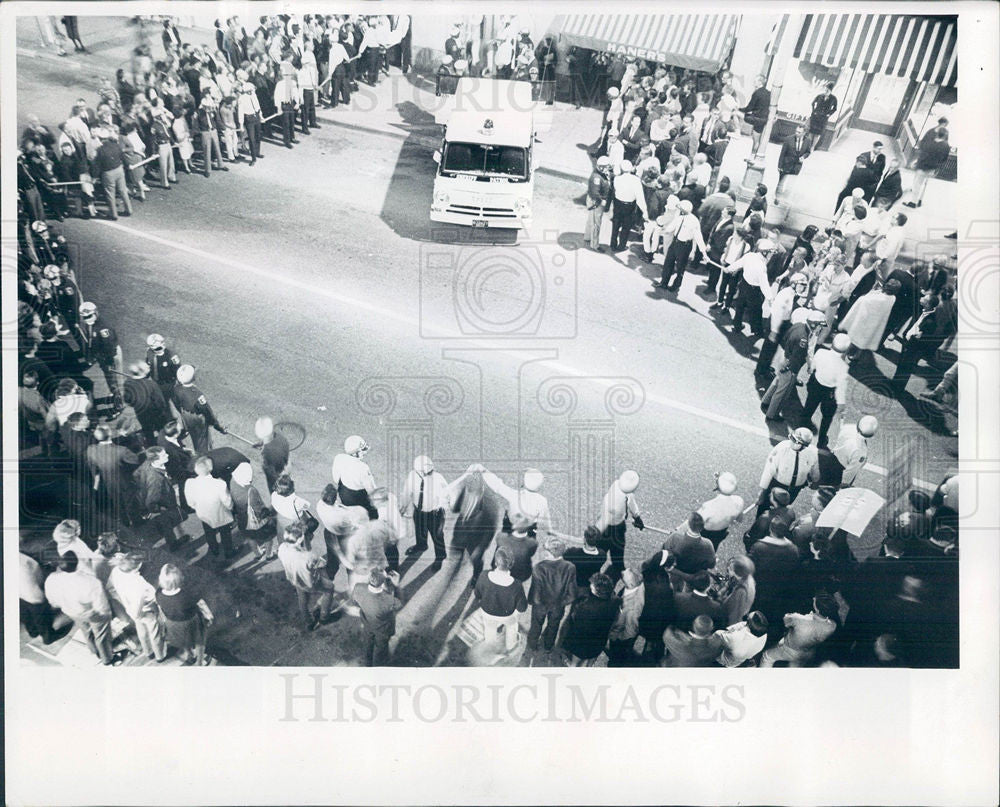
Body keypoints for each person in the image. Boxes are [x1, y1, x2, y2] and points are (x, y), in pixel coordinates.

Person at [44, 551, 117, 665]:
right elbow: (101, 606)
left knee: (86, 631)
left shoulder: (51, 579)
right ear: (77, 563)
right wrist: (106, 614)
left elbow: (52, 602)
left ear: (59, 565)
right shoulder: (90, 581)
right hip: (91, 612)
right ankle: (107, 659)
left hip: (71, 612)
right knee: (101, 635)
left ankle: (93, 650)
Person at [760, 309, 826, 422]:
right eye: (820, 326)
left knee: (777, 382)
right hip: (790, 365)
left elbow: (785, 337)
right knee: (783, 391)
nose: (821, 328)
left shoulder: (798, 326)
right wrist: (793, 371)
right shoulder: (803, 340)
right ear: (814, 324)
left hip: (784, 356)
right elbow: (797, 358)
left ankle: (766, 401)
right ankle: (772, 414)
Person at [891, 291, 956, 395]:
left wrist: (914, 338)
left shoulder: (931, 321)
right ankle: (894, 383)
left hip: (914, 346)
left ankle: (898, 388)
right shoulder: (924, 312)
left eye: (924, 298)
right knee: (902, 364)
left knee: (906, 367)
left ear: (927, 304)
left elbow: (923, 337)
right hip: (909, 342)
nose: (922, 298)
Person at [448, 468, 503, 587]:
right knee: (457, 553)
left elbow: (490, 530)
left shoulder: (489, 505)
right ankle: (457, 565)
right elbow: (457, 508)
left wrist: (481, 547)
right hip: (460, 533)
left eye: (471, 490)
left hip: (476, 540)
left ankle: (476, 575)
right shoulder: (467, 489)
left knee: (476, 560)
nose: (469, 492)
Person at [107, 552, 167, 662]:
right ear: (135, 569)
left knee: (142, 631)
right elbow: (138, 603)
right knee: (154, 633)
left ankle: (148, 652)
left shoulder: (116, 571)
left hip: (130, 608)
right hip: (146, 611)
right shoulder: (139, 586)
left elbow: (111, 587)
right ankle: (160, 655)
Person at [526, 538, 578, 661]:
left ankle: (532, 645)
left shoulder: (539, 567)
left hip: (540, 606)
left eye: (547, 550)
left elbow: (535, 594)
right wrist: (560, 603)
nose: (544, 552)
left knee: (536, 626)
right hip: (558, 607)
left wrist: (537, 604)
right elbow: (572, 594)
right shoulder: (570, 567)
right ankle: (548, 647)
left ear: (551, 552)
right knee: (553, 626)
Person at [278, 523, 338, 632]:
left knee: (302, 597)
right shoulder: (308, 556)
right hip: (310, 582)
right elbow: (320, 565)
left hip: (294, 579)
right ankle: (324, 617)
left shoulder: (282, 548)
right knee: (329, 589)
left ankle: (308, 621)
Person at [799, 333, 851, 447]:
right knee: (827, 417)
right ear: (846, 351)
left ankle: (800, 431)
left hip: (816, 385)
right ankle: (821, 440)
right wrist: (841, 405)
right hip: (829, 392)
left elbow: (813, 367)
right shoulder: (844, 367)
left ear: (832, 344)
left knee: (808, 409)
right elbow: (841, 388)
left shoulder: (821, 352)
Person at [760, 593, 839, 667]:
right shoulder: (832, 625)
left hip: (791, 650)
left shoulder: (799, 619)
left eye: (815, 601)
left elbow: (785, 620)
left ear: (818, 610)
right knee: (795, 665)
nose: (813, 598)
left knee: (767, 656)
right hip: (809, 653)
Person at [557, 572, 619, 667]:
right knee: (591, 658)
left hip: (582, 642)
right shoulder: (615, 601)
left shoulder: (584, 607)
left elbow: (575, 623)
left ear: (597, 592)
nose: (590, 585)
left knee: (575, 661)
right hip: (599, 640)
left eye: (592, 585)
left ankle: (571, 668)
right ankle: (588, 667)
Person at [134, 446, 190, 551]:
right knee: (168, 521)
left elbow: (136, 474)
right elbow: (151, 501)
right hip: (163, 504)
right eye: (164, 455)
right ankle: (173, 544)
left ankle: (171, 541)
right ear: (156, 460)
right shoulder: (156, 479)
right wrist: (158, 510)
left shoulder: (148, 463)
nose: (167, 455)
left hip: (160, 503)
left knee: (166, 523)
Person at [474, 546, 528, 654]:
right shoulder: (516, 584)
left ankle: (490, 648)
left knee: (489, 629)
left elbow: (477, 594)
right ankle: (510, 647)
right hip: (507, 615)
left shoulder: (484, 575)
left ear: (495, 563)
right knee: (512, 627)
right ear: (511, 564)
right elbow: (522, 607)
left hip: (487, 612)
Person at [87, 424, 141, 529]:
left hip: (108, 482)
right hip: (125, 481)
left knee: (118, 503)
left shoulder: (91, 449)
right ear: (110, 434)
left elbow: (93, 467)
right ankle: (137, 522)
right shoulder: (121, 450)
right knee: (130, 502)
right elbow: (136, 461)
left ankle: (125, 522)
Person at [156, 563, 212, 665]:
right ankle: (200, 662)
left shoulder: (158, 593)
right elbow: (201, 603)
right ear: (179, 578)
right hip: (191, 622)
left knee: (184, 641)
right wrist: (208, 615)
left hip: (172, 623)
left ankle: (190, 655)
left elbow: (160, 608)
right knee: (199, 641)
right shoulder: (186, 594)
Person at [594, 469, 644, 583]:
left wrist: (637, 516)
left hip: (611, 528)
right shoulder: (616, 502)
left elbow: (630, 500)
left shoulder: (618, 485)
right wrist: (637, 518)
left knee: (601, 557)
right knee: (614, 560)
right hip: (612, 529)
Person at [757, 427, 820, 515]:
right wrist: (763, 492)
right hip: (777, 485)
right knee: (764, 509)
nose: (792, 442)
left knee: (782, 511)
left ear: (805, 445)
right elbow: (769, 470)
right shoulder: (781, 448)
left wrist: (815, 481)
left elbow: (814, 469)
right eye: (792, 438)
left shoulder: (812, 453)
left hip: (795, 489)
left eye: (796, 441)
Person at [399, 454, 448, 566]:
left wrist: (441, 506)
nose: (430, 473)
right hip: (419, 511)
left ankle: (440, 556)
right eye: (427, 472)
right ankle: (421, 545)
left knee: (438, 536)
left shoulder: (438, 478)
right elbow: (407, 493)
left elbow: (446, 495)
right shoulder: (412, 476)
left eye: (431, 471)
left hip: (435, 513)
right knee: (420, 530)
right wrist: (403, 507)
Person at [184, 455, 237, 559]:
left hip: (204, 514)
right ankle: (229, 551)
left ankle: (214, 549)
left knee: (209, 532)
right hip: (221, 514)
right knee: (225, 533)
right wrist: (231, 508)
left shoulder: (190, 483)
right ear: (210, 468)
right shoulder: (219, 484)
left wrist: (198, 508)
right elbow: (227, 502)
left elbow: (190, 502)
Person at [353, 567, 403, 666]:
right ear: (383, 584)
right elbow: (399, 603)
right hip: (383, 629)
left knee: (368, 642)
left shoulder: (358, 587)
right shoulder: (388, 600)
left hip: (367, 623)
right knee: (381, 648)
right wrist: (396, 585)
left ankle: (367, 662)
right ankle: (377, 666)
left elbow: (355, 602)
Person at [654, 199, 706, 292]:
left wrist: (704, 253)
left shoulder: (694, 221)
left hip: (685, 246)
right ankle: (664, 283)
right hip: (675, 242)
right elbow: (671, 228)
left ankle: (675, 286)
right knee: (668, 263)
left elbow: (699, 238)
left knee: (680, 267)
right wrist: (661, 230)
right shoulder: (679, 217)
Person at [173, 364, 227, 454]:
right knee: (202, 440)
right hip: (197, 419)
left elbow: (176, 402)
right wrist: (217, 426)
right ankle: (203, 457)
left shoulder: (176, 389)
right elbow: (207, 412)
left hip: (185, 414)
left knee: (193, 432)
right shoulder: (197, 395)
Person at [637, 546, 676, 664]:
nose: (674, 567)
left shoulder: (647, 572)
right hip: (655, 621)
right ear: (665, 567)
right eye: (672, 565)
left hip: (645, 617)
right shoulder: (666, 586)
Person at [229, 462, 272, 558]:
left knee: (250, 537)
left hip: (242, 519)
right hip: (255, 520)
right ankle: (269, 555)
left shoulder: (232, 482)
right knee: (268, 537)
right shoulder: (251, 491)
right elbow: (258, 507)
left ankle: (258, 554)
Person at [904, 118, 950, 208]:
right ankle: (920, 200)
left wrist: (916, 161)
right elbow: (944, 159)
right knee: (924, 184)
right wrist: (938, 167)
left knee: (917, 183)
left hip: (923, 166)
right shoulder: (946, 145)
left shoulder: (930, 142)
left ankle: (914, 202)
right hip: (933, 168)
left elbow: (923, 150)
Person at [823, 415, 878, 488]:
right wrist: (845, 483)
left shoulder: (848, 428)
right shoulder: (860, 451)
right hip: (841, 470)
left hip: (833, 457)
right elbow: (851, 470)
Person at [331, 435, 378, 519]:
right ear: (355, 453)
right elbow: (371, 490)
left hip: (344, 493)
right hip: (358, 497)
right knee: (372, 514)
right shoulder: (363, 468)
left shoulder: (339, 458)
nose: (365, 452)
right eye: (362, 450)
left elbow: (336, 479)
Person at [697, 471, 744, 549]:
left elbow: (696, 523)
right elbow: (739, 519)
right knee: (713, 547)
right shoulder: (739, 501)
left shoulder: (709, 506)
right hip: (721, 531)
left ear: (718, 487)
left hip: (705, 533)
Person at [93, 129, 132, 220]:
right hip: (119, 169)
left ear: (101, 138)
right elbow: (122, 157)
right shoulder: (116, 145)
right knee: (123, 190)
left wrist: (95, 176)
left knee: (110, 193)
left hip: (108, 173)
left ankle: (113, 214)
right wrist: (128, 165)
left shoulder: (100, 150)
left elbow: (97, 165)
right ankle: (128, 209)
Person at [609, 160, 648, 253]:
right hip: (629, 206)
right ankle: (621, 245)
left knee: (615, 225)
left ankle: (613, 244)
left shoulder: (617, 179)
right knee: (626, 227)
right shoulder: (636, 180)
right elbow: (640, 198)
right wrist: (645, 211)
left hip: (618, 204)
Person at [718, 555, 757, 626]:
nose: (727, 569)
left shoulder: (740, 592)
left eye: (730, 569)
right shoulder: (748, 578)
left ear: (736, 572)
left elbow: (734, 617)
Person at [584, 156, 612, 250]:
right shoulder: (596, 178)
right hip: (596, 202)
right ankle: (594, 244)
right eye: (607, 166)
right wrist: (602, 201)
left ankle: (587, 237)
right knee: (596, 223)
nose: (609, 168)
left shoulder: (599, 173)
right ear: (601, 167)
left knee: (590, 220)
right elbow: (595, 193)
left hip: (594, 200)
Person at [255, 416, 289, 493]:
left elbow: (270, 471)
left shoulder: (267, 452)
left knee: (274, 491)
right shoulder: (280, 437)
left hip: (277, 475)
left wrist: (263, 465)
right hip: (283, 466)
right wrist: (262, 444)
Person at [776, 124, 811, 199]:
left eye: (799, 132)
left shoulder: (808, 141)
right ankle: (777, 196)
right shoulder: (788, 139)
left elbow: (808, 152)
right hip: (786, 164)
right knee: (781, 181)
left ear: (804, 133)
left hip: (797, 166)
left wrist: (803, 157)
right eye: (796, 131)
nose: (796, 133)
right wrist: (779, 165)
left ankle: (785, 197)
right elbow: (782, 153)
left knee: (791, 183)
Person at [740, 75, 771, 153]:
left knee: (735, 113)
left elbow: (749, 108)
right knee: (756, 140)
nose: (754, 82)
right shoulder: (768, 93)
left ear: (760, 82)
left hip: (756, 118)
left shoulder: (757, 93)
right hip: (763, 119)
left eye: (755, 81)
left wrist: (739, 109)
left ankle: (737, 130)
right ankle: (752, 155)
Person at [808, 82, 837, 150]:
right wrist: (813, 111)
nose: (826, 91)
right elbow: (812, 103)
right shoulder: (820, 96)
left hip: (823, 119)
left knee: (817, 134)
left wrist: (829, 114)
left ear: (831, 91)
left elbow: (835, 108)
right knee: (811, 132)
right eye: (825, 90)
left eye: (828, 90)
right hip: (815, 117)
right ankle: (808, 146)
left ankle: (812, 147)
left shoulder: (833, 98)